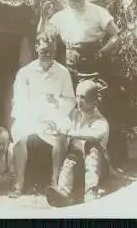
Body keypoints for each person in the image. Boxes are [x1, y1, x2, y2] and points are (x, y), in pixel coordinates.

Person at [8, 27, 76, 198]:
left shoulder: (63, 73)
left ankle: (56, 182)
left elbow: (70, 100)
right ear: (36, 48)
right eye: (44, 50)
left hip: (55, 116)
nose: (48, 55)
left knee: (62, 132)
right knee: (19, 132)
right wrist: (35, 117)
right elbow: (20, 101)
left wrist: (56, 108)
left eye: (52, 51)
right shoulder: (25, 72)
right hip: (30, 116)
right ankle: (19, 183)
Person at [45, 79, 111, 207]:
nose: (79, 100)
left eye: (83, 97)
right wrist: (55, 127)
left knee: (91, 148)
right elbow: (63, 125)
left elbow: (95, 135)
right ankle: (63, 192)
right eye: (77, 96)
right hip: (77, 167)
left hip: (98, 168)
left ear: (94, 101)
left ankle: (91, 193)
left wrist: (69, 132)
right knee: (73, 153)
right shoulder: (75, 115)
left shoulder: (100, 121)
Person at [48, 0, 121, 87]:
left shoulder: (98, 12)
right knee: (70, 93)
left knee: (92, 94)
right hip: (69, 62)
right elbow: (46, 35)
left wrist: (103, 52)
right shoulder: (60, 16)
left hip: (93, 60)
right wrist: (44, 18)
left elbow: (117, 35)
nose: (73, 1)